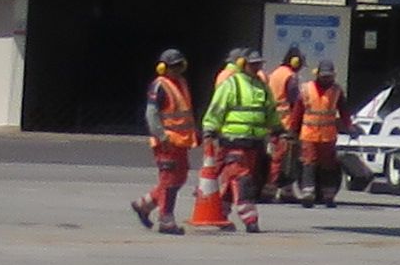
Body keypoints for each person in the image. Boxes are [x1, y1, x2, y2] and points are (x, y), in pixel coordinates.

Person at [201, 49, 274, 233]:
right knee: (243, 179)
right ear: (242, 64)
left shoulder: (262, 87)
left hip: (254, 144)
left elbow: (270, 111)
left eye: (259, 64)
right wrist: (210, 128)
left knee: (231, 180)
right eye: (253, 64)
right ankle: (250, 218)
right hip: (233, 141)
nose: (257, 67)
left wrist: (279, 129)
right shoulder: (231, 84)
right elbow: (217, 108)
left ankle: (220, 215)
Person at [135, 47, 197, 232]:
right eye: (173, 66)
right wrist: (162, 136)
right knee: (169, 180)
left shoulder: (182, 83)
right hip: (166, 143)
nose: (177, 69)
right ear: (163, 68)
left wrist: (194, 132)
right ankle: (166, 219)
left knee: (179, 178)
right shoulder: (160, 85)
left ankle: (144, 205)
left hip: (181, 142)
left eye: (179, 65)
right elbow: (151, 114)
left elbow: (184, 112)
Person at [292, 59, 344, 208]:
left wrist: (349, 126)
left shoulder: (336, 91)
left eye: (329, 76)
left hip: (328, 136)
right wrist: (292, 130)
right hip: (309, 134)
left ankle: (328, 195)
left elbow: (344, 110)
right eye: (324, 76)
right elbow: (298, 111)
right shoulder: (306, 89)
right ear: (317, 75)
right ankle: (308, 193)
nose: (326, 79)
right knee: (309, 163)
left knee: (329, 165)